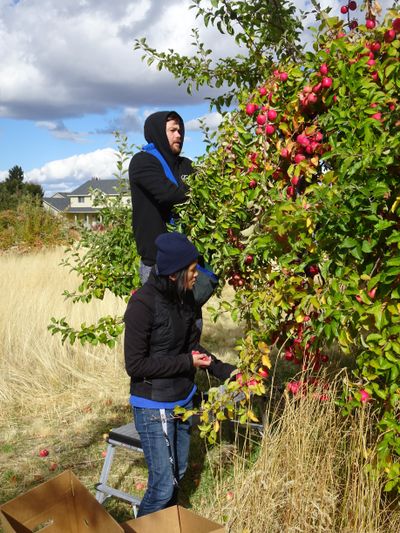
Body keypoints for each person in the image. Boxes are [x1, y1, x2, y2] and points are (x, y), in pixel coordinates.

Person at [124, 231, 235, 517]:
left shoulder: (184, 299)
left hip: (182, 400)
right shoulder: (142, 305)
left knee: (179, 471)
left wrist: (227, 372)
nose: (197, 275)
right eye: (192, 270)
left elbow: (192, 349)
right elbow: (135, 366)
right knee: (162, 485)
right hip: (153, 404)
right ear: (174, 274)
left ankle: (166, 524)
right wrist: (186, 363)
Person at [129, 111, 193, 284]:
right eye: (172, 130)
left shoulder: (186, 165)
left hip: (187, 260)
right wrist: (192, 191)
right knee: (158, 310)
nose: (178, 135)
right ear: (158, 132)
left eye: (180, 130)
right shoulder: (142, 162)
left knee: (190, 311)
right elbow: (168, 194)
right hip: (156, 263)